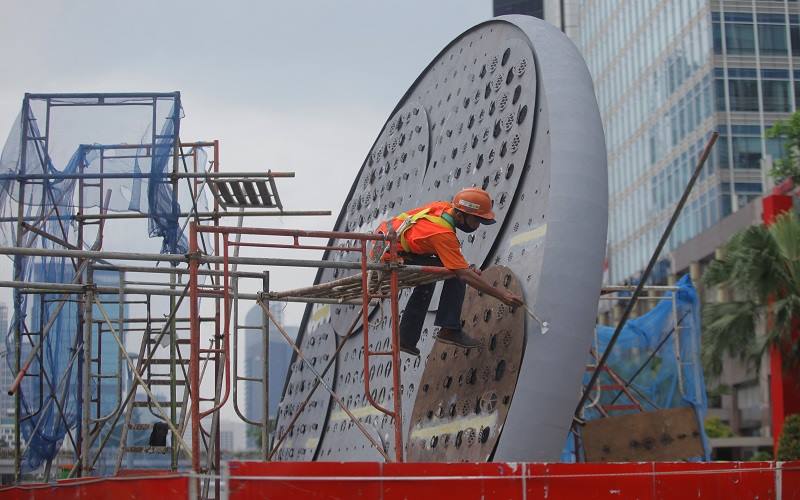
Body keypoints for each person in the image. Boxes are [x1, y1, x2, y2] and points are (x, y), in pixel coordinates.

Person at [375, 187, 524, 356]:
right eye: (476, 220)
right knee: (455, 274)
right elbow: (461, 273)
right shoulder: (442, 233)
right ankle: (449, 328)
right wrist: (502, 295)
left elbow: (432, 244)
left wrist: (463, 267)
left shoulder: (444, 208)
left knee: (442, 271)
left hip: (388, 245)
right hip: (389, 254)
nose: (477, 226)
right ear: (460, 215)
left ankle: (407, 338)